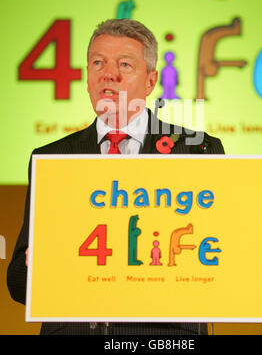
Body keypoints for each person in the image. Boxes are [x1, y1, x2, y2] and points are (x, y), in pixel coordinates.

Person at [7, 18, 224, 335]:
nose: (109, 74)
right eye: (98, 62)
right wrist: (40, 264)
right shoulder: (51, 158)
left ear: (150, 82)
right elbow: (17, 281)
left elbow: (221, 265)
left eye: (125, 64)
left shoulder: (197, 150)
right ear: (87, 77)